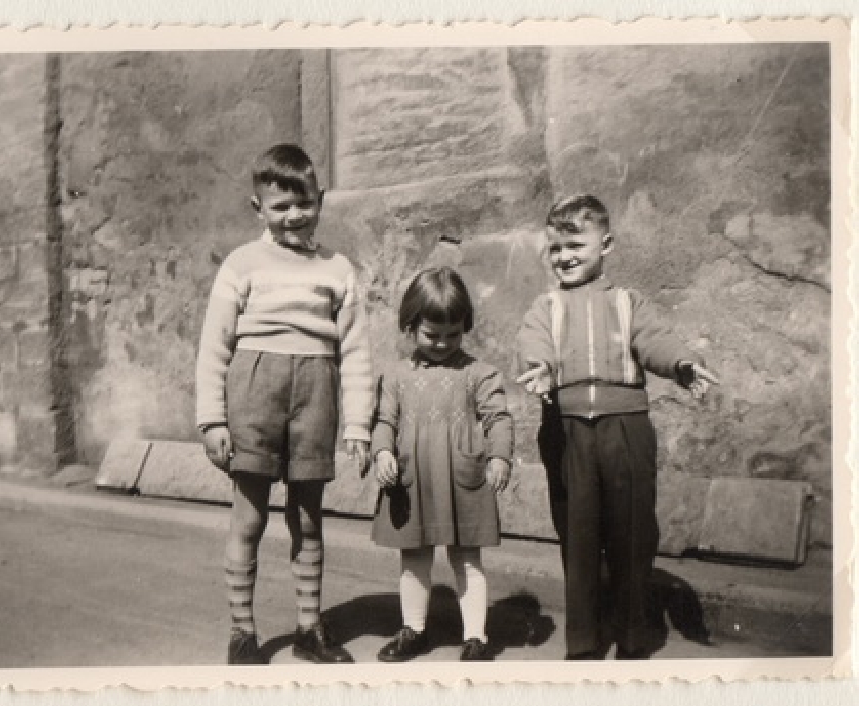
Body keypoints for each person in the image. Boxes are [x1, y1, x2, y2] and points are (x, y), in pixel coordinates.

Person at [516, 194, 719, 660]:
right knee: (579, 537)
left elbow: (655, 340)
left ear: (605, 245)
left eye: (576, 246)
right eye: (555, 248)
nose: (564, 256)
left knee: (632, 534)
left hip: (626, 430)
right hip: (567, 431)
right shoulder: (546, 307)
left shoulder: (629, 303)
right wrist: (540, 367)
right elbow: (533, 341)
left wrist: (682, 364)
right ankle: (584, 641)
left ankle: (633, 637)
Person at [195, 144, 374, 665]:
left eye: (305, 203)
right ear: (259, 209)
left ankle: (309, 628)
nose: (295, 215)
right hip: (254, 395)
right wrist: (211, 420)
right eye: (280, 206)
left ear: (321, 199)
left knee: (309, 519)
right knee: (248, 518)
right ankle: (242, 632)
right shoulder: (241, 264)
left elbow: (356, 352)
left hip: (316, 394)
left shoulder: (337, 269)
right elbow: (214, 346)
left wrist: (358, 425)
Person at [370, 267, 514, 663]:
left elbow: (498, 418)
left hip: (460, 479)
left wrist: (499, 455)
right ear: (410, 324)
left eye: (453, 334)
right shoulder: (396, 376)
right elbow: (384, 422)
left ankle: (476, 637)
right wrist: (382, 452)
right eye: (431, 334)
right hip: (412, 480)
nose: (442, 344)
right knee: (414, 557)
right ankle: (413, 629)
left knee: (466, 557)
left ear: (464, 326)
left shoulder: (478, 374)